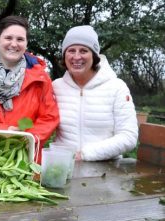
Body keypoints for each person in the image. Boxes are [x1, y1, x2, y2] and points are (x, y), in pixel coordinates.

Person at [0, 15, 59, 166]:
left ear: (26, 43)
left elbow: (49, 117)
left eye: (20, 39)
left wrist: (25, 139)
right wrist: (4, 132)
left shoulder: (40, 77)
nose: (14, 44)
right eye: (8, 38)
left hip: (24, 159)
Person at [52, 25, 138, 160]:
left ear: (94, 55)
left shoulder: (117, 87)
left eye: (84, 50)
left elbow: (128, 137)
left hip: (107, 170)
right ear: (64, 55)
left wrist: (85, 155)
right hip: (63, 168)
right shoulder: (55, 87)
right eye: (71, 50)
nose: (77, 57)